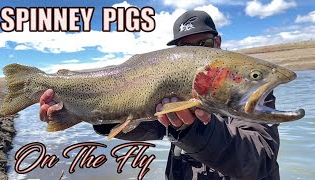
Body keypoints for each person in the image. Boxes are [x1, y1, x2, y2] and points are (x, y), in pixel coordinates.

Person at [39, 10, 280, 180]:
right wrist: (81, 110)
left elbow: (259, 163)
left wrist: (196, 129)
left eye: (203, 44)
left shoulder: (249, 92)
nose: (195, 53)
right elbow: (147, 128)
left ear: (218, 42)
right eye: (186, 47)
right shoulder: (174, 86)